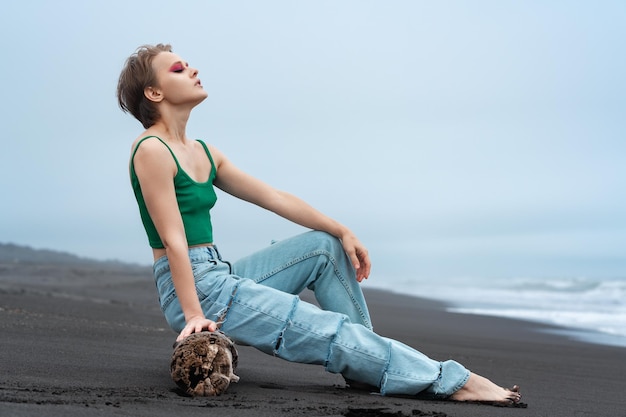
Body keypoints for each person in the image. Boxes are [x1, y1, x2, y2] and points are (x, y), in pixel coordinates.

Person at [117, 43, 522, 404]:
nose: (191, 69)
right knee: (329, 330)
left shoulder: (203, 152)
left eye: (189, 64)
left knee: (324, 248)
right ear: (154, 93)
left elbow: (274, 198)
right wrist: (193, 314)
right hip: (193, 287)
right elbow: (173, 239)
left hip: (218, 273)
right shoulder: (151, 150)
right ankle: (451, 381)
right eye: (177, 69)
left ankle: (367, 366)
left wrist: (342, 229)